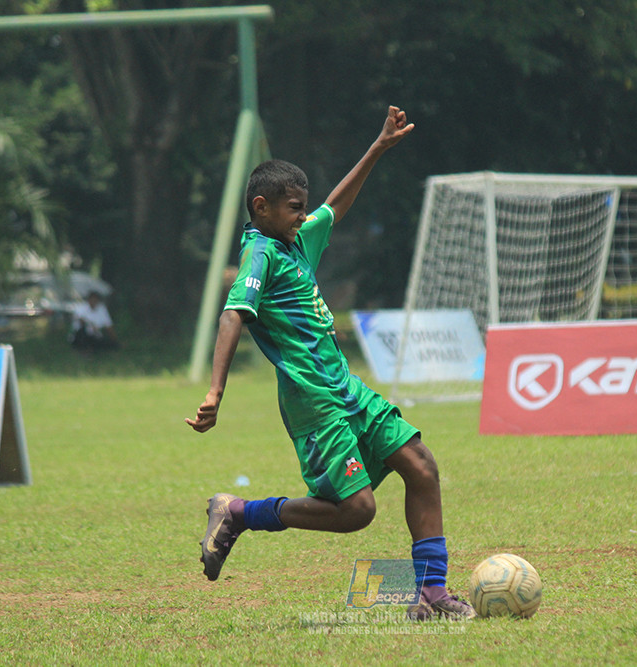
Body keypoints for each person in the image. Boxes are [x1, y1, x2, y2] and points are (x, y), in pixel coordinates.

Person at [185, 106, 475, 621]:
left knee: (422, 466)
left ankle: (431, 594)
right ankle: (238, 512)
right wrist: (215, 391)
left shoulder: (294, 240)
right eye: (294, 208)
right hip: (312, 403)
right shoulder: (261, 256)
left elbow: (333, 207)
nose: (304, 215)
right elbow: (233, 315)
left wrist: (378, 148)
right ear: (262, 207)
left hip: (345, 388)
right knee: (357, 512)